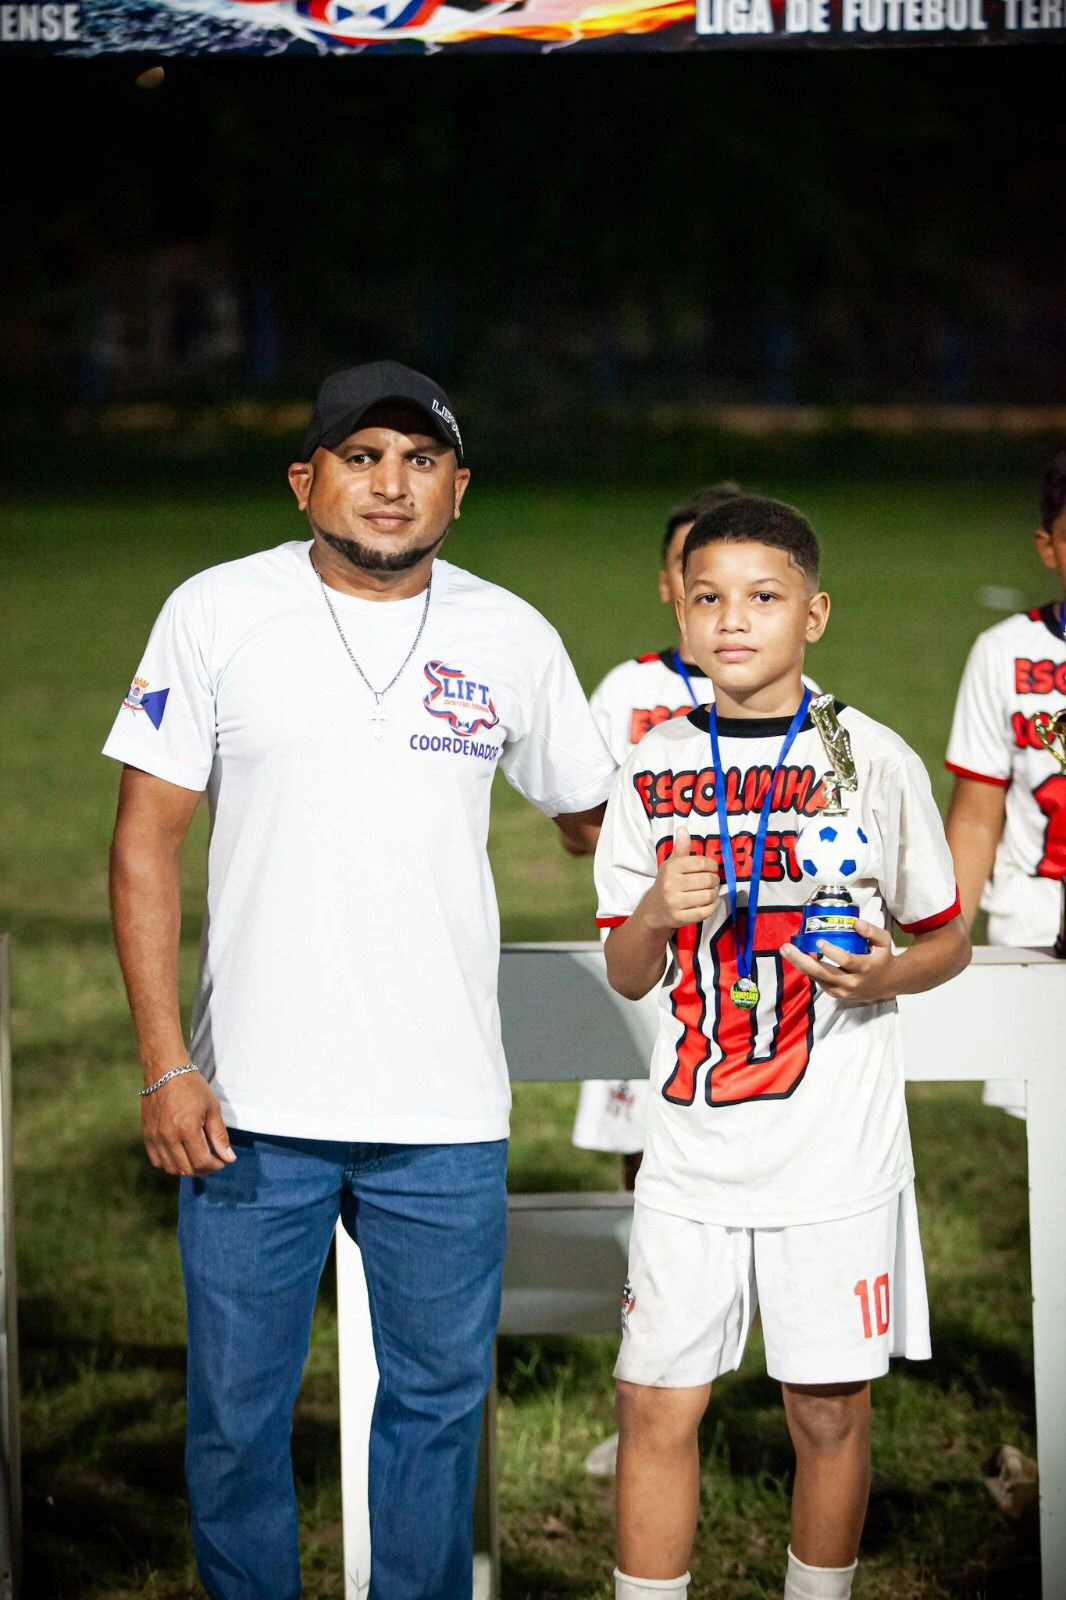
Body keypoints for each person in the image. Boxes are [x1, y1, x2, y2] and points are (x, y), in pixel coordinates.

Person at [103, 360, 616, 1600]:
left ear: (460, 491)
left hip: (442, 1108)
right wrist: (168, 1062)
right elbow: (143, 840)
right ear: (305, 480)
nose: (391, 484)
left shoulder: (511, 632)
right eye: (362, 455)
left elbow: (598, 818)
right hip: (247, 1110)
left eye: (421, 459)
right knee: (236, 1420)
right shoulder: (216, 611)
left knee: (436, 1410)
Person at [593, 495, 970, 1600]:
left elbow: (943, 935)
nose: (732, 620)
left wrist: (885, 971)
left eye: (762, 597)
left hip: (831, 1151)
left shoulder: (872, 754)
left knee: (825, 1409)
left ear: (814, 613)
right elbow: (625, 968)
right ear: (680, 605)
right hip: (691, 1153)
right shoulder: (654, 760)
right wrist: (657, 912)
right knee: (654, 1403)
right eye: (708, 596)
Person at [571, 484, 743, 1193]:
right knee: (645, 1147)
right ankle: (637, 1290)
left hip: (745, 958)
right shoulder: (627, 691)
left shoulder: (795, 698)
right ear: (669, 582)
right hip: (645, 956)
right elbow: (579, 830)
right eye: (688, 560)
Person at [945, 448, 1066, 1119]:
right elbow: (975, 817)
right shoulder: (1006, 653)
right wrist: (947, 935)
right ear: (1047, 547)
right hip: (1037, 920)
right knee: (1055, 1132)